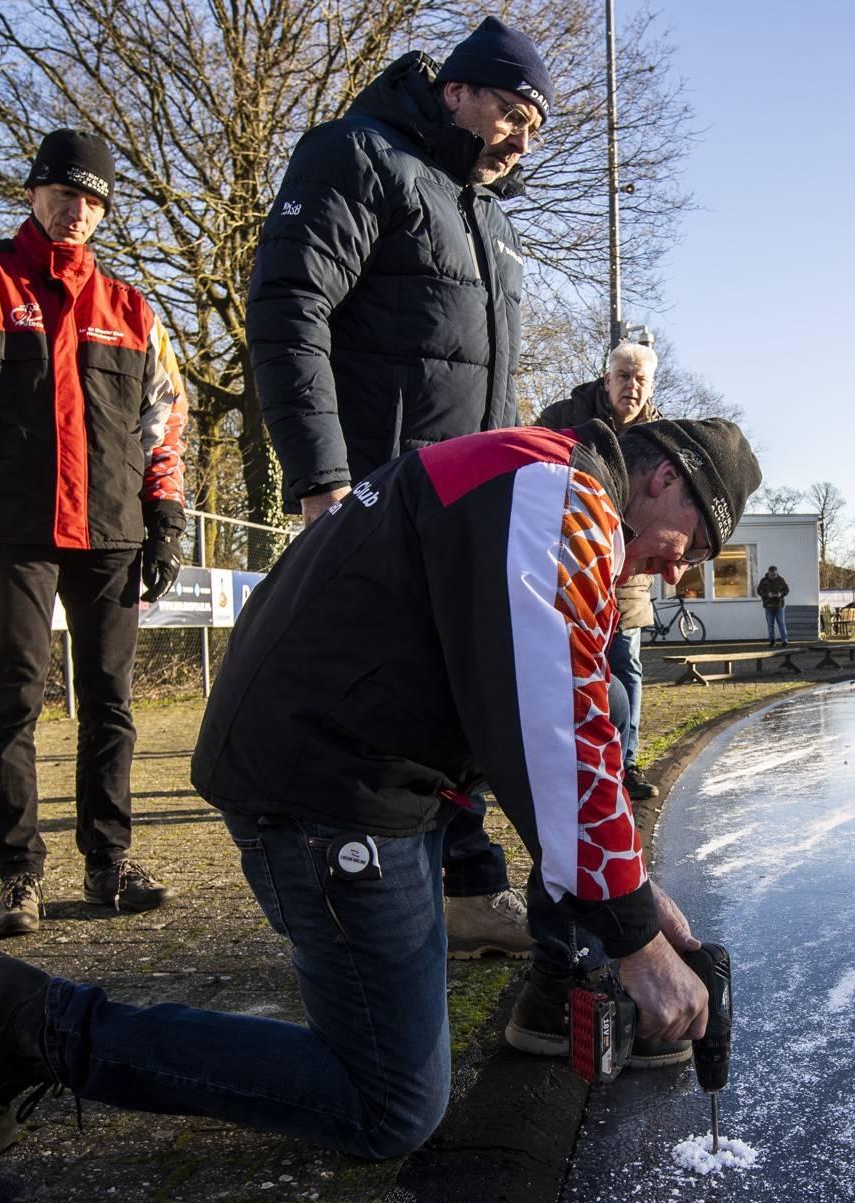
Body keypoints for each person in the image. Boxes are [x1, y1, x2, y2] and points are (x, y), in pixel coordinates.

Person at [0, 418, 761, 1162]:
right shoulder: (560, 496)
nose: (680, 571)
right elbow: (558, 733)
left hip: (353, 760)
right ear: (664, 479)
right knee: (390, 1104)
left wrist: (634, 892)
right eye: (695, 540)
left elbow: (547, 708)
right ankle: (39, 1026)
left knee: (400, 1044)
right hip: (327, 789)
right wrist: (635, 942)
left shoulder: (529, 471)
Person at [247, 16, 556, 957]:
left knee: (452, 696)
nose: (520, 138)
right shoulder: (357, 154)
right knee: (378, 697)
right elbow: (289, 305)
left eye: (536, 128)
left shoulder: (491, 220)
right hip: (375, 492)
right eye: (512, 112)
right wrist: (322, 480)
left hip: (459, 504)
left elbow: (485, 379)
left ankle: (464, 888)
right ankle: (344, 896)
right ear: (458, 88)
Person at [0, 129, 187, 938]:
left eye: (94, 199)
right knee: (15, 700)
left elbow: (164, 422)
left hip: (114, 531)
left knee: (111, 703)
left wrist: (168, 515)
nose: (77, 210)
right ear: (33, 191)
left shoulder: (133, 307)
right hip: (13, 531)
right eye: (64, 192)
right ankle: (18, 875)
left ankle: (109, 862)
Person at [537, 340, 662, 798]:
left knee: (625, 663)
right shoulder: (565, 416)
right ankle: (570, 762)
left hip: (628, 572)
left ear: (650, 387)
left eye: (640, 379)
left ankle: (624, 764)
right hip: (568, 564)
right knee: (566, 662)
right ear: (607, 379)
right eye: (623, 376)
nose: (631, 386)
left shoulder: (660, 437)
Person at [757, 564, 790, 645]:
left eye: (775, 575)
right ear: (768, 573)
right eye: (772, 575)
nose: (773, 576)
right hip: (768, 606)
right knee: (770, 625)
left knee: (781, 624)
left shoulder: (781, 580)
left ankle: (785, 641)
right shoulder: (763, 581)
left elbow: (787, 590)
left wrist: (781, 594)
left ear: (777, 573)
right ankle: (772, 641)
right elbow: (759, 591)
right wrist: (767, 594)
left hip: (779, 606)